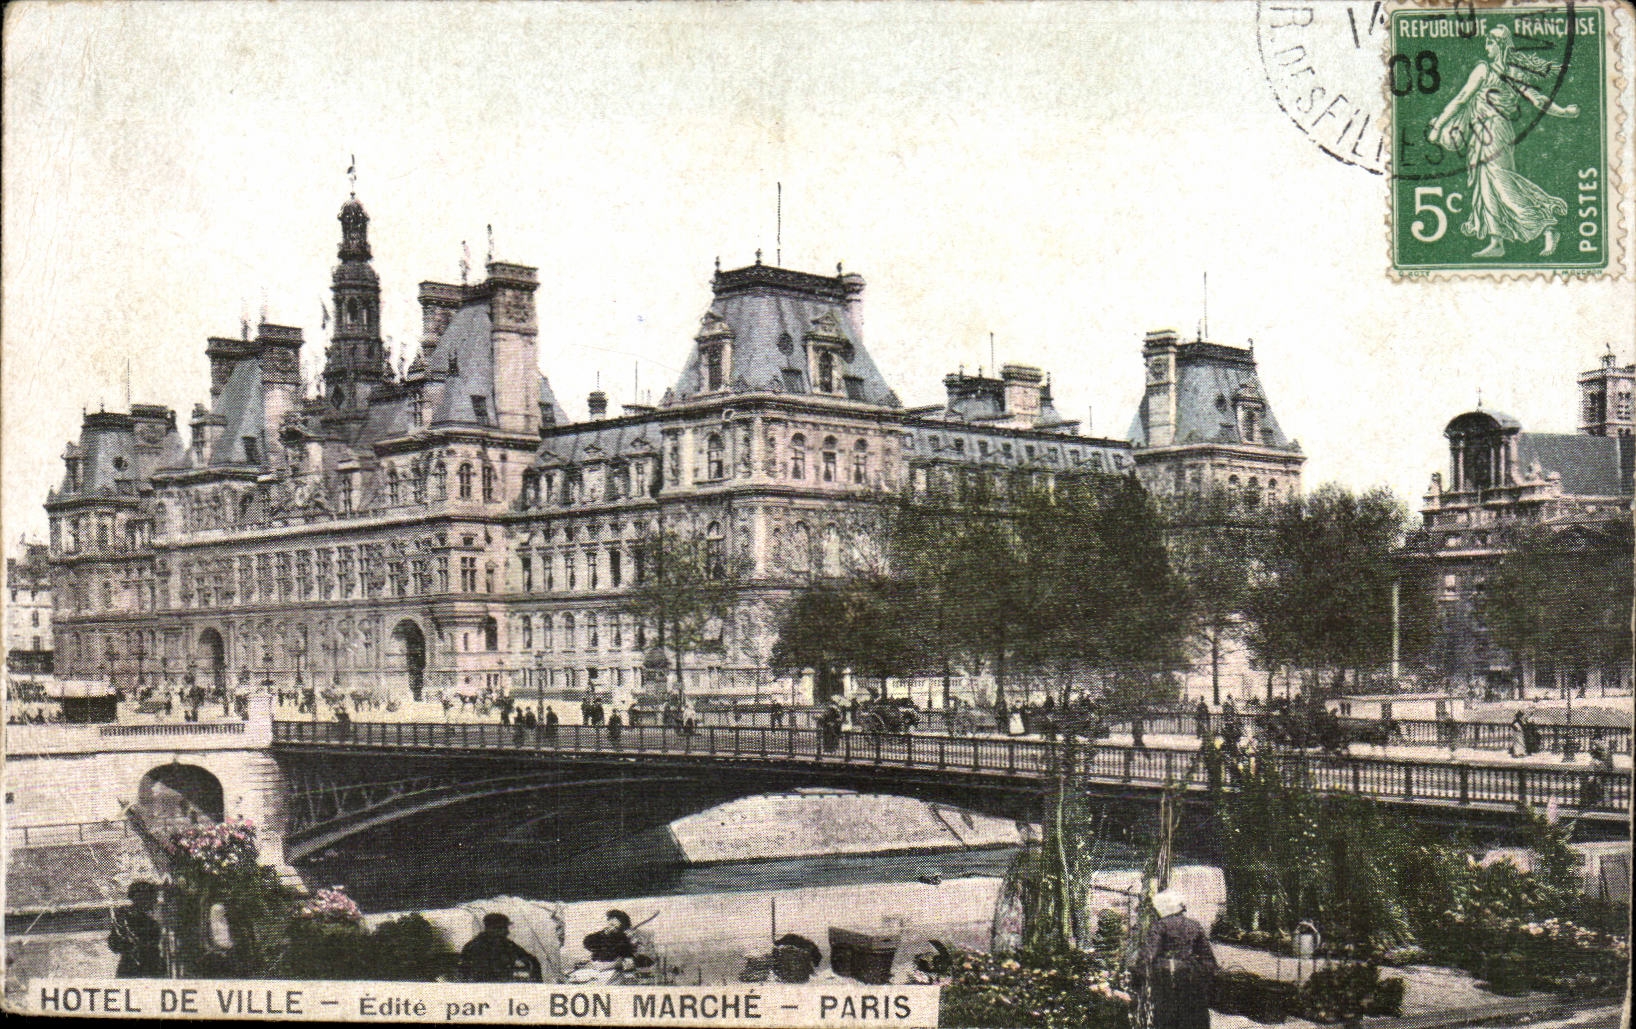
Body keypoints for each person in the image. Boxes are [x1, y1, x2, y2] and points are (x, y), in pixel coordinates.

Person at [1427, 24, 1578, 258]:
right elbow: (1536, 99)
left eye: (1489, 43)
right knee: (1486, 185)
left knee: (1501, 183)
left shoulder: (1487, 71)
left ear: (1499, 45)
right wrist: (1564, 111)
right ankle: (1497, 242)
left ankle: (1547, 226)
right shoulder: (1508, 73)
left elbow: (1462, 99)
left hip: (1494, 132)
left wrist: (1438, 127)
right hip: (1483, 132)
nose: (1486, 47)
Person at [1136, 890, 1218, 1029]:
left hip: (1166, 978)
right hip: (1191, 977)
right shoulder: (1194, 925)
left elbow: (1148, 955)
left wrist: (1139, 976)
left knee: (1167, 1016)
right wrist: (1203, 978)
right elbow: (1208, 959)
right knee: (1193, 1015)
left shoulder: (1160, 926)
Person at [459, 912, 543, 983]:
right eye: (504, 928)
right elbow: (464, 974)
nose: (507, 932)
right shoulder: (474, 947)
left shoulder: (507, 945)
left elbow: (531, 960)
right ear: (492, 928)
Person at [109, 881, 166, 978]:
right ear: (141, 899)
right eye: (152, 898)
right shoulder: (123, 919)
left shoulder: (151, 922)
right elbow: (114, 945)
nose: (155, 901)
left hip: (146, 970)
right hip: (135, 971)